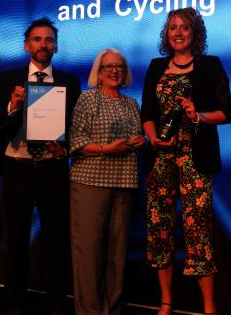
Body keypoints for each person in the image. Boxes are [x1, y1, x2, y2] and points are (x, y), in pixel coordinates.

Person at [140, 7, 231, 315]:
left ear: (195, 33)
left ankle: (209, 305)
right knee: (160, 228)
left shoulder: (210, 66)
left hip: (196, 159)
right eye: (172, 28)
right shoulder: (155, 67)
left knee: (198, 231)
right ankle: (166, 300)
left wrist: (199, 115)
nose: (177, 33)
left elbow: (227, 113)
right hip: (161, 160)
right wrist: (154, 138)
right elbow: (147, 114)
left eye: (184, 28)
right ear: (166, 34)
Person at [0, 18, 81, 315]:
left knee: (55, 241)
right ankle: (14, 303)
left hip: (53, 170)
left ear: (55, 45)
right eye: (37, 39)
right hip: (17, 168)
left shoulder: (69, 82)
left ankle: (55, 303)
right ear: (27, 45)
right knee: (16, 238)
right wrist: (13, 107)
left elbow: (75, 128)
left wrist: (64, 147)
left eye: (49, 40)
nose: (43, 45)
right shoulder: (6, 80)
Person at [68, 48, 145, 315]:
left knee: (116, 255)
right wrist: (105, 148)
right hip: (90, 183)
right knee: (89, 254)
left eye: (120, 67)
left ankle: (112, 309)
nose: (114, 71)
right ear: (98, 73)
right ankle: (89, 311)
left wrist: (139, 141)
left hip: (123, 184)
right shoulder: (88, 100)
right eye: (108, 67)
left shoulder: (131, 104)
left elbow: (136, 137)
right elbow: (75, 141)